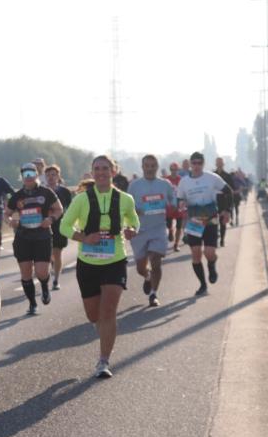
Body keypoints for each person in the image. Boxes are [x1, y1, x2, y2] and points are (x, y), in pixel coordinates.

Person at [60, 155, 139, 378]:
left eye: (106, 168)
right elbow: (64, 227)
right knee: (94, 315)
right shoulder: (81, 200)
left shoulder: (125, 199)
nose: (101, 172)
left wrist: (133, 230)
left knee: (108, 311)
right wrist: (83, 238)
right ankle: (103, 331)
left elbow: (134, 221)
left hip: (115, 260)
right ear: (92, 173)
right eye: (97, 169)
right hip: (88, 263)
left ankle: (103, 361)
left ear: (113, 171)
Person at [7, 163, 62, 315]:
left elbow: (59, 209)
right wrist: (11, 221)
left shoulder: (46, 192)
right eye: (25, 175)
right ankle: (32, 304)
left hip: (42, 236)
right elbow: (6, 213)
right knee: (25, 273)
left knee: (41, 272)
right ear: (22, 178)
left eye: (31, 173)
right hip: (23, 237)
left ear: (37, 175)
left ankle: (44, 285)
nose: (29, 177)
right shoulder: (17, 196)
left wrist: (51, 219)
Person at [176, 152, 233, 296]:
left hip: (210, 218)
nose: (196, 166)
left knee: (209, 252)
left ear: (203, 163)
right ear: (190, 164)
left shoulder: (211, 178)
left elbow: (229, 192)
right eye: (193, 163)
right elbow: (179, 199)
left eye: (199, 163)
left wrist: (227, 210)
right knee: (196, 254)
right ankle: (202, 284)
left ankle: (212, 265)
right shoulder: (184, 181)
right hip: (194, 219)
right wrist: (181, 204)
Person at [128, 155, 177, 307]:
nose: (150, 168)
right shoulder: (134, 186)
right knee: (140, 268)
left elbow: (174, 200)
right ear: (142, 167)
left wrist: (176, 205)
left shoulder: (165, 184)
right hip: (140, 230)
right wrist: (135, 211)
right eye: (147, 166)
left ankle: (153, 294)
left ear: (157, 167)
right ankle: (147, 276)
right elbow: (127, 207)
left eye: (153, 166)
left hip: (158, 228)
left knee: (156, 261)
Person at [44, 164, 72, 291]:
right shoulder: (41, 191)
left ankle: (56, 280)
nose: (51, 177)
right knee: (48, 254)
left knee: (57, 252)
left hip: (60, 226)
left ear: (58, 176)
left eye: (53, 175)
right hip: (44, 226)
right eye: (48, 175)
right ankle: (52, 265)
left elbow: (70, 209)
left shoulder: (64, 191)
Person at [213, 157, 236, 243]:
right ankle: (215, 238)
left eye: (221, 163)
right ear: (216, 164)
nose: (219, 164)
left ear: (223, 164)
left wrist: (229, 207)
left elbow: (231, 190)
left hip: (224, 201)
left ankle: (222, 239)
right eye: (218, 162)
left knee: (223, 221)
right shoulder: (213, 175)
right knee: (213, 222)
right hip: (214, 201)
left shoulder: (228, 176)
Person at [166, 161, 186, 251]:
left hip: (179, 206)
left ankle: (176, 244)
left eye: (175, 169)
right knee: (169, 225)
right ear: (170, 170)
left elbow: (184, 192)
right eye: (172, 169)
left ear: (178, 170)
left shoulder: (181, 180)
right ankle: (170, 231)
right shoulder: (166, 180)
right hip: (169, 206)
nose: (174, 171)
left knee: (179, 226)